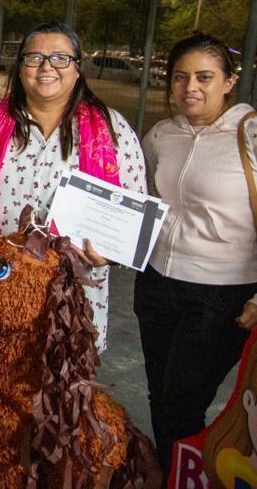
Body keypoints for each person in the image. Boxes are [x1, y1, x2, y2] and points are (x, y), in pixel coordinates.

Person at [0, 22, 146, 481]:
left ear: (78, 69)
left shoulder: (112, 130)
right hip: (0, 286)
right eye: (34, 57)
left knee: (56, 381)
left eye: (60, 58)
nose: (46, 67)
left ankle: (48, 469)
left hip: (68, 291)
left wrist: (108, 252)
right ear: (20, 68)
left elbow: (133, 207)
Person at [136, 33, 257, 473]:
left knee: (183, 404)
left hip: (221, 297)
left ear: (230, 82)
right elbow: (141, 198)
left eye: (205, 77)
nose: (192, 86)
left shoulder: (251, 136)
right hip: (156, 285)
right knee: (160, 396)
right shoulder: (162, 135)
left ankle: (179, 475)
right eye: (181, 77)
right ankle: (176, 473)